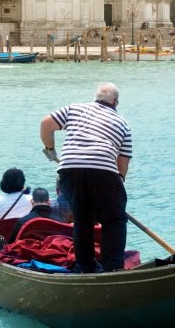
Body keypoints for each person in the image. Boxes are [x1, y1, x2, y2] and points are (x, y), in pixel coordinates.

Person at [40, 82, 133, 273]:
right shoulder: (122, 123)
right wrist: (118, 183)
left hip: (69, 169)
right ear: (115, 102)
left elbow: (45, 124)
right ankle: (113, 267)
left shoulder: (74, 109)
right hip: (104, 171)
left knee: (83, 220)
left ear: (96, 98)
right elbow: (123, 161)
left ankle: (86, 267)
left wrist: (50, 149)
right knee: (114, 219)